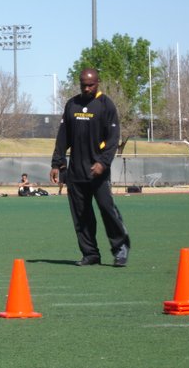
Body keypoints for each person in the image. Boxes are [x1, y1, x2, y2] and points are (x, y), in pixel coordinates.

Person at [49, 68, 130, 267]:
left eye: (90, 85)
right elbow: (63, 137)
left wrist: (103, 162)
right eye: (83, 84)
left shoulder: (106, 105)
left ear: (98, 83)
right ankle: (90, 253)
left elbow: (113, 140)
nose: (86, 88)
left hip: (98, 171)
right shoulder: (72, 104)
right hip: (76, 171)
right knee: (81, 215)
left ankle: (120, 249)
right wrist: (57, 163)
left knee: (106, 209)